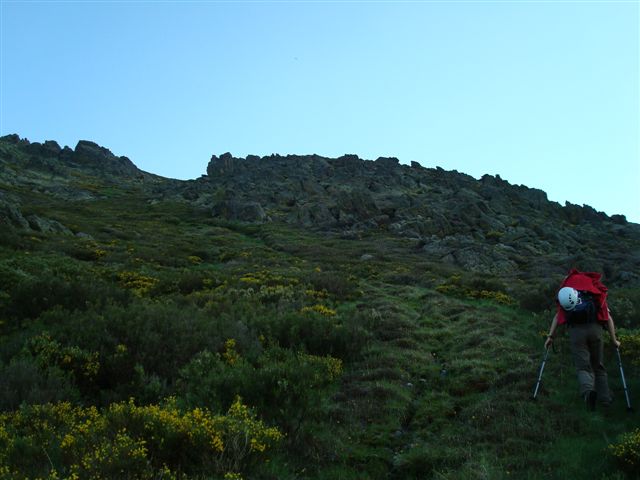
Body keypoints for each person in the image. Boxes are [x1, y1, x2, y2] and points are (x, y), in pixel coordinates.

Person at [544, 269, 621, 411]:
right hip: (595, 330)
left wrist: (550, 337)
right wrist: (614, 340)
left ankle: (588, 392)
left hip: (576, 333)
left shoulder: (566, 296)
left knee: (583, 366)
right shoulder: (593, 294)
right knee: (598, 365)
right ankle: (605, 399)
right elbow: (608, 318)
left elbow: (557, 317)